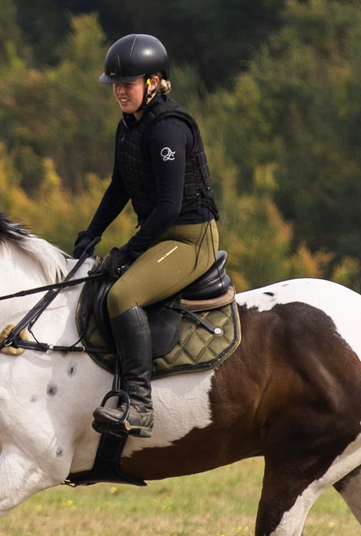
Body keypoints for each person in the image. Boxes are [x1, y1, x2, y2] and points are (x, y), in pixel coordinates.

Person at [74, 33, 220, 439]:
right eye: (116, 84)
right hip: (161, 235)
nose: (120, 91)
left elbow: (170, 207)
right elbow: (119, 188)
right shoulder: (129, 127)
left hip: (191, 239)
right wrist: (91, 233)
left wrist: (125, 252)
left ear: (153, 83)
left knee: (123, 295)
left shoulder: (167, 130)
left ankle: (139, 405)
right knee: (99, 285)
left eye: (129, 83)